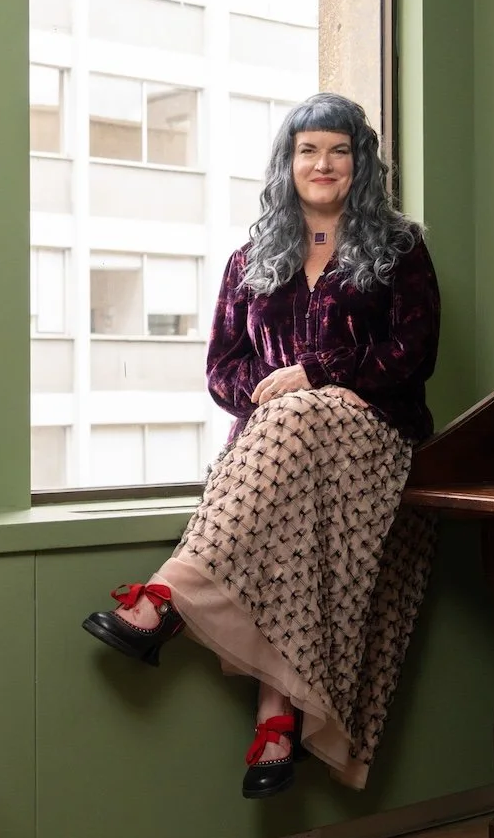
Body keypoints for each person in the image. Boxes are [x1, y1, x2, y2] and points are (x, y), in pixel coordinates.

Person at [82, 92, 440, 798]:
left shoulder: (401, 248)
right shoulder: (251, 258)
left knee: (300, 416)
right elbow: (223, 369)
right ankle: (275, 723)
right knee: (292, 518)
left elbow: (413, 353)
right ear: (288, 162)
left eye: (339, 149)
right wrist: (281, 394)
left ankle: (167, 598)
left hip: (374, 437)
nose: (324, 163)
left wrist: (318, 376)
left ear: (360, 161)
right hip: (274, 450)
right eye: (308, 150)